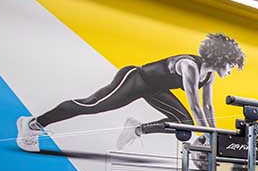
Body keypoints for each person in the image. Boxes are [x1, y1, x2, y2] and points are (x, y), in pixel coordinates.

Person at [16, 33, 245, 152]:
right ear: (220, 58)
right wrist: (207, 135)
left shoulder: (209, 75)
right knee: (93, 105)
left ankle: (136, 129)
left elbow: (207, 107)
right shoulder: (190, 66)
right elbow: (195, 104)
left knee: (183, 121)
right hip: (136, 79)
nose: (232, 71)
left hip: (156, 89)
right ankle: (34, 124)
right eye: (231, 65)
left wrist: (213, 134)